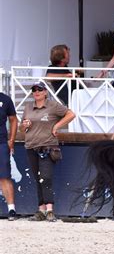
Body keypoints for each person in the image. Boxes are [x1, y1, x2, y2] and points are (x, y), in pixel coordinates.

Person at [20, 82, 76, 222]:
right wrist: (24, 126)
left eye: (39, 89)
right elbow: (22, 129)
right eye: (34, 90)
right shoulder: (28, 107)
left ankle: (49, 210)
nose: (36, 92)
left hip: (47, 146)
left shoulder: (53, 105)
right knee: (37, 178)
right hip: (31, 145)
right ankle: (41, 210)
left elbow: (71, 114)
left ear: (45, 92)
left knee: (46, 177)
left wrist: (56, 126)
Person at [0, 92, 18, 221]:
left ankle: (11, 209)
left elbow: (13, 119)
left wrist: (11, 140)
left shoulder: (5, 99)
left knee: (5, 176)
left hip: (1, 142)